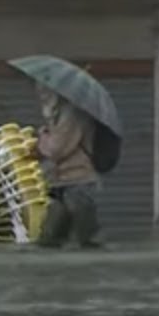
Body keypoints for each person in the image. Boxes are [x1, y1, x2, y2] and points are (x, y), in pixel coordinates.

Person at [34, 84, 102, 248]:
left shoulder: (71, 114)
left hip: (77, 178)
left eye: (45, 90)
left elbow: (57, 148)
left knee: (85, 238)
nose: (41, 94)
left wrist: (43, 136)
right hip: (62, 179)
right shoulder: (59, 114)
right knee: (51, 240)